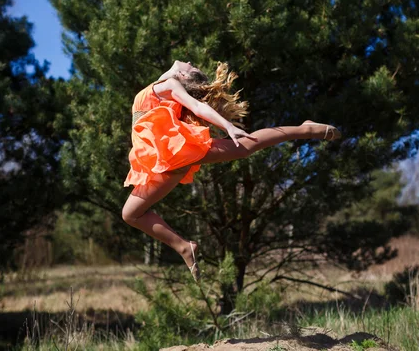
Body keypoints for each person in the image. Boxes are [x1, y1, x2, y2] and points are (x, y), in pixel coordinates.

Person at [122, 61, 341, 281]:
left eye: (191, 68)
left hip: (171, 156)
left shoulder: (170, 85)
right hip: (171, 155)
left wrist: (227, 126)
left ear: (183, 76)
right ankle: (305, 129)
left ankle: (184, 247)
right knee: (245, 148)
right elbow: (174, 71)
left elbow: (197, 107)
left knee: (131, 214)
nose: (189, 62)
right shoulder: (161, 83)